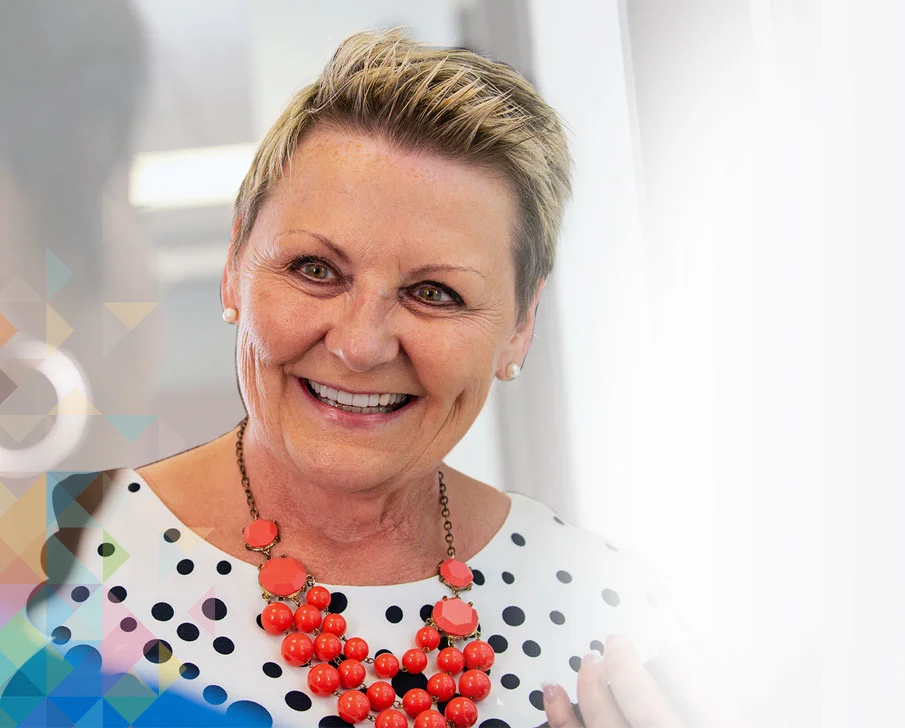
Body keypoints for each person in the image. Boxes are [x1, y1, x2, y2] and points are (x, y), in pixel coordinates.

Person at [10, 29, 707, 728]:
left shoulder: (612, 610)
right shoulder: (38, 560)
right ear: (234, 270)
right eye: (315, 270)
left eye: (434, 293)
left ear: (520, 324)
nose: (359, 345)